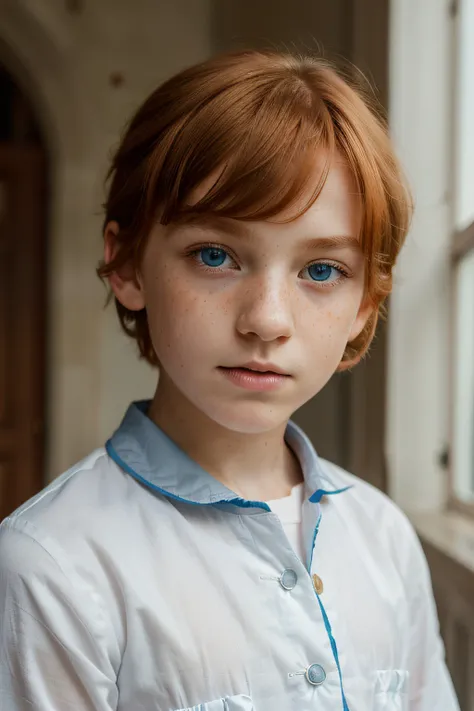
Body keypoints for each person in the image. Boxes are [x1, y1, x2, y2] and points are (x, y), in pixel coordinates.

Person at [0, 49, 459, 711]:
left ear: (366, 300)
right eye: (215, 255)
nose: (267, 320)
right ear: (126, 263)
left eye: (322, 270)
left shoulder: (382, 535)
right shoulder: (52, 565)